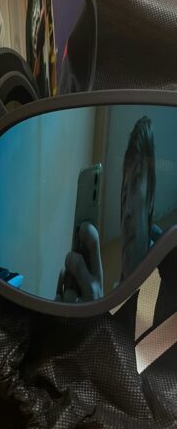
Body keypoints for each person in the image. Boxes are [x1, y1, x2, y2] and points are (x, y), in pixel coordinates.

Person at [56, 116, 156, 302]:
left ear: (150, 197)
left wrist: (98, 313)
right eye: (123, 197)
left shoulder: (167, 285)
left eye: (136, 183)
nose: (126, 211)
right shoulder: (116, 293)